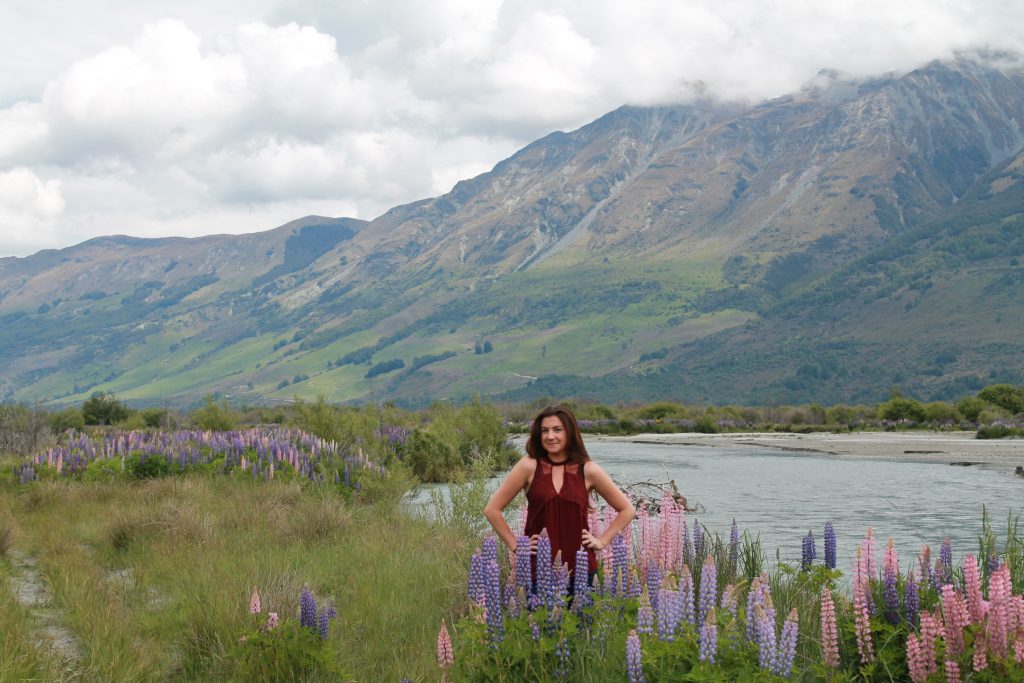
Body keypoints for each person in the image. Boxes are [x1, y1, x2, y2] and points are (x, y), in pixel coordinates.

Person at [483, 405, 635, 589]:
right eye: (544, 431)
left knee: (581, 618)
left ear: (570, 432)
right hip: (538, 570)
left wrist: (601, 541)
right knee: (537, 617)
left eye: (557, 430)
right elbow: (492, 510)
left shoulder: (588, 469)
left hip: (581, 569)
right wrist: (516, 545)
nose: (550, 436)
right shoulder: (528, 466)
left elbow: (627, 510)